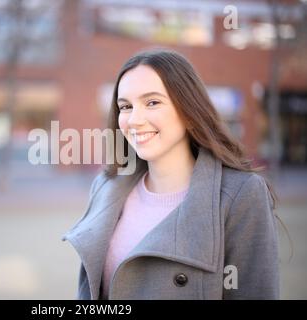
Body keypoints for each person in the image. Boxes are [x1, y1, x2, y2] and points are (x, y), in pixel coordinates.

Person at [62, 49, 280, 300]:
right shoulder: (105, 186)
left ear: (188, 109)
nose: (134, 120)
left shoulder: (241, 195)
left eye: (152, 102)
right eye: (126, 106)